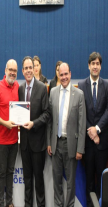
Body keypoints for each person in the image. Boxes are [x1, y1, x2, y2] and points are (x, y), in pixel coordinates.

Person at [47, 63, 86, 207]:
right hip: (56, 144)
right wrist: (49, 143)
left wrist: (80, 148)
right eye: (61, 74)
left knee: (70, 182)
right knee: (56, 180)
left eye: (66, 74)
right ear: (58, 75)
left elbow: (82, 124)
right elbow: (50, 120)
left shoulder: (79, 95)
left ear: (70, 74)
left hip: (71, 145)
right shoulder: (53, 92)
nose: (64, 77)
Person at [78, 52, 108, 207]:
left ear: (100, 66)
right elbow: (81, 112)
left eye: (97, 63)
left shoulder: (107, 86)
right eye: (92, 63)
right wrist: (91, 132)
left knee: (100, 178)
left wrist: (97, 129)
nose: (95, 66)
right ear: (88, 66)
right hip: (87, 142)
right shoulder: (81, 85)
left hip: (101, 143)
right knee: (88, 180)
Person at [18, 56, 50, 207]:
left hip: (38, 143)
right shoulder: (20, 89)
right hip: (24, 144)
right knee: (27, 180)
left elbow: (46, 114)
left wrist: (33, 123)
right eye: (26, 68)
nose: (29, 70)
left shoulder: (42, 88)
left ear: (34, 69)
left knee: (38, 180)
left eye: (31, 67)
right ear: (23, 71)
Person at [0, 59, 19, 207]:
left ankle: (9, 202)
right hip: (1, 141)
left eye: (15, 71)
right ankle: (0, 203)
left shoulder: (17, 87)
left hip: (14, 140)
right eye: (10, 70)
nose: (12, 73)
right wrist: (5, 123)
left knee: (10, 172)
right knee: (2, 174)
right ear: (5, 70)